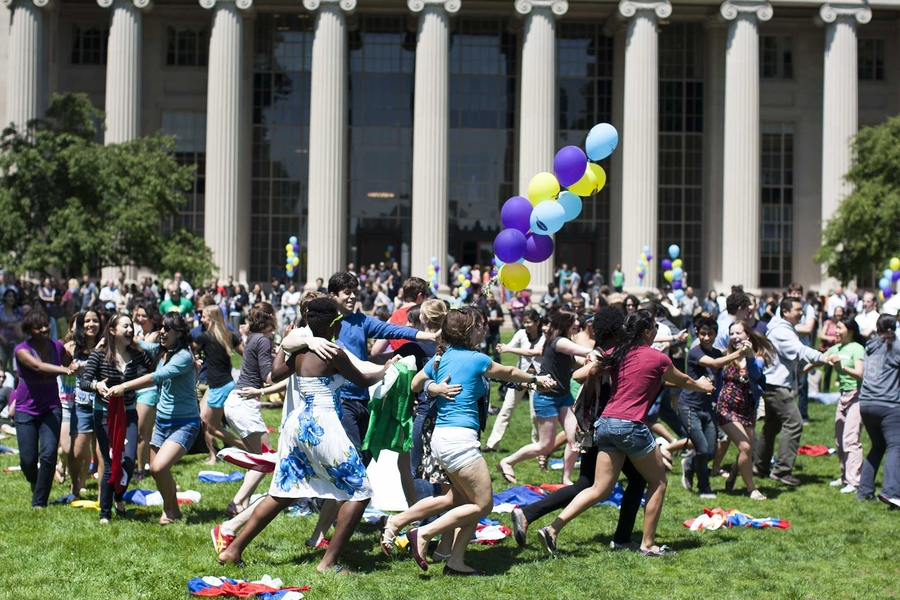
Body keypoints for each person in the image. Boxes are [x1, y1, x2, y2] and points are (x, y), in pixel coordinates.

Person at [215, 297, 395, 573]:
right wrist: (386, 370)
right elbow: (362, 379)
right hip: (321, 425)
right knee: (359, 492)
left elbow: (274, 374)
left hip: (296, 424)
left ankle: (233, 550)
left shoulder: (299, 352)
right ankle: (328, 562)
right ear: (334, 323)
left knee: (283, 492)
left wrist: (286, 344)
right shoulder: (333, 353)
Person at [533, 309, 714, 557]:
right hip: (630, 426)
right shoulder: (657, 358)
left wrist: (595, 367)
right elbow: (683, 380)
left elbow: (577, 374)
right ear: (648, 331)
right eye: (655, 330)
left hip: (605, 425)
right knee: (658, 481)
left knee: (599, 489)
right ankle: (648, 545)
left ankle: (553, 529)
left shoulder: (617, 354)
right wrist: (702, 385)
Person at [396, 307, 555, 575]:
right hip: (459, 441)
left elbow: (414, 384)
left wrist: (431, 387)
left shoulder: (440, 357)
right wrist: (535, 379)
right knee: (483, 504)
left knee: (467, 502)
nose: (481, 329)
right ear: (467, 331)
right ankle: (423, 533)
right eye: (476, 326)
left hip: (442, 439)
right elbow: (507, 372)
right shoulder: (475, 358)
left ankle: (454, 561)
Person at [512, 307, 650, 551]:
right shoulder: (607, 355)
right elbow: (584, 377)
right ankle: (620, 538)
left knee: (588, 483)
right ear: (618, 329)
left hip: (594, 426)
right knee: (633, 480)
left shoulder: (603, 351)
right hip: (605, 426)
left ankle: (529, 514)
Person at [108, 313, 199, 524]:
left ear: (179, 333)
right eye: (162, 328)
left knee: (158, 467)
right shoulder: (161, 350)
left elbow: (155, 377)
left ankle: (170, 509)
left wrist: (124, 386)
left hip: (185, 423)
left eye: (168, 329)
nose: (163, 332)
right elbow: (140, 344)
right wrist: (117, 335)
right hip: (162, 421)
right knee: (159, 471)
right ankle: (173, 510)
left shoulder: (184, 357)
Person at [497, 309, 592, 485]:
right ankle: (507, 462)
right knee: (545, 446)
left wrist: (588, 361)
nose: (578, 324)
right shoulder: (559, 341)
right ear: (565, 323)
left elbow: (576, 360)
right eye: (575, 321)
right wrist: (599, 353)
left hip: (563, 397)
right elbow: (585, 352)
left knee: (576, 438)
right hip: (547, 398)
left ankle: (566, 478)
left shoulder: (563, 342)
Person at [754, 296, 839, 486]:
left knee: (772, 426)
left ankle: (759, 466)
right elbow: (799, 350)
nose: (801, 313)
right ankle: (782, 471)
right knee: (794, 423)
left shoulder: (782, 328)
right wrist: (823, 357)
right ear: (785, 312)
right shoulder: (781, 330)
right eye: (798, 310)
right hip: (776, 386)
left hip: (773, 383)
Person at [80, 313, 152, 523]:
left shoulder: (138, 354)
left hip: (128, 412)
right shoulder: (99, 354)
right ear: (112, 331)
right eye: (126, 326)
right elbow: (85, 380)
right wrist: (96, 385)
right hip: (104, 414)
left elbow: (153, 371)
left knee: (128, 462)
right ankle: (104, 512)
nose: (130, 330)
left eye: (131, 326)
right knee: (110, 463)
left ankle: (118, 496)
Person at [674, 317, 748, 499]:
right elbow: (715, 364)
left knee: (711, 451)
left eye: (710, 334)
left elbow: (723, 358)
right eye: (702, 334)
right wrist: (739, 352)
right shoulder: (695, 352)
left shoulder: (717, 352)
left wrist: (744, 348)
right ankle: (704, 488)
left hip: (708, 408)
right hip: (689, 406)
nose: (706, 338)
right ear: (697, 334)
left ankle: (690, 465)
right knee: (703, 448)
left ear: (715, 334)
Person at [12, 310, 75, 508]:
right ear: (29, 330)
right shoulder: (21, 350)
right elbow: (38, 367)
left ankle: (39, 502)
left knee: (48, 454)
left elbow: (70, 360)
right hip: (26, 408)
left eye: (46, 324)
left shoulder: (56, 346)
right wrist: (65, 370)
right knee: (28, 460)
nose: (45, 329)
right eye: (38, 327)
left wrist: (75, 353)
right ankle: (34, 480)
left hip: (51, 407)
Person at [224, 303, 277, 515]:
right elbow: (268, 377)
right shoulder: (263, 340)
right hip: (244, 403)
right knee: (266, 457)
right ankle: (237, 502)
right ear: (270, 318)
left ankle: (242, 504)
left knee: (257, 458)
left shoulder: (255, 337)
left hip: (236, 402)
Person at [717, 320, 773, 500]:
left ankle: (734, 472)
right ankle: (752, 490)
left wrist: (748, 356)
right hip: (726, 408)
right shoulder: (726, 355)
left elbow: (755, 374)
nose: (734, 337)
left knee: (747, 451)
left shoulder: (757, 358)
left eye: (738, 333)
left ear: (747, 335)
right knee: (745, 446)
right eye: (731, 333)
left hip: (748, 409)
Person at [483, 309, 543, 452]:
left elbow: (536, 352)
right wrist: (502, 347)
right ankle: (492, 444)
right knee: (506, 409)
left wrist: (508, 349)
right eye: (525, 322)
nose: (526, 325)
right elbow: (510, 345)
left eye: (529, 322)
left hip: (537, 379)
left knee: (535, 414)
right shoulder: (521, 334)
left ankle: (537, 445)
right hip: (519, 378)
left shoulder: (544, 337)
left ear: (537, 322)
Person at [856, 315, 900, 507]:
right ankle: (891, 492)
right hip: (888, 404)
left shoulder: (870, 346)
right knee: (896, 446)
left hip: (866, 404)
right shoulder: (896, 347)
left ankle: (864, 491)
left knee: (878, 446)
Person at [63, 309, 103, 498]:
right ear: (80, 324)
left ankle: (104, 494)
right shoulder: (71, 347)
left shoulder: (106, 345)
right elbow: (63, 368)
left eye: (95, 321)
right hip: (81, 405)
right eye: (87, 321)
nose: (91, 324)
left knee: (102, 453)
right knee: (77, 452)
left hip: (103, 404)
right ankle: (75, 483)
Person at [196, 306, 244, 464]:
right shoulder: (229, 335)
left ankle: (246, 447)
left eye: (203, 317)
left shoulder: (206, 337)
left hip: (220, 386)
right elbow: (246, 354)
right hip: (220, 384)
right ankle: (214, 455)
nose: (201, 320)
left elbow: (188, 346)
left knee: (212, 427)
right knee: (205, 422)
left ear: (211, 319)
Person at [823, 316, 865, 494]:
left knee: (850, 439)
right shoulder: (835, 348)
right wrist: (801, 371)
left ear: (851, 331)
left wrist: (841, 367)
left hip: (857, 396)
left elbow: (859, 374)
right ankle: (845, 476)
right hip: (843, 397)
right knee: (839, 440)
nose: (836, 331)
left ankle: (855, 482)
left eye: (839, 328)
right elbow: (819, 359)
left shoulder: (857, 348)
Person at [132, 301, 162, 478]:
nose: (141, 318)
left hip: (148, 388)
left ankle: (141, 469)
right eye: (139, 315)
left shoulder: (156, 335)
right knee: (146, 432)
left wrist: (135, 340)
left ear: (152, 317)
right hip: (134, 386)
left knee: (141, 432)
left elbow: (146, 347)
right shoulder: (138, 333)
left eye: (144, 315)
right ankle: (150, 465)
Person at [818, 305, 844, 393]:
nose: (839, 313)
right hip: (829, 349)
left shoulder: (844, 324)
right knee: (827, 371)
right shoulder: (828, 322)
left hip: (841, 349)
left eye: (840, 311)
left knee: (842, 370)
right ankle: (825, 390)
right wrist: (831, 338)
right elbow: (822, 335)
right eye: (837, 311)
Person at [0, 288, 23, 371]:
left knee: (15, 369)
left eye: (13, 297)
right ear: (5, 297)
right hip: (1, 344)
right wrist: (2, 339)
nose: (11, 298)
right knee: (1, 368)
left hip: (14, 343)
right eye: (9, 296)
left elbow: (20, 325)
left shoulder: (18, 311)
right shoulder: (0, 310)